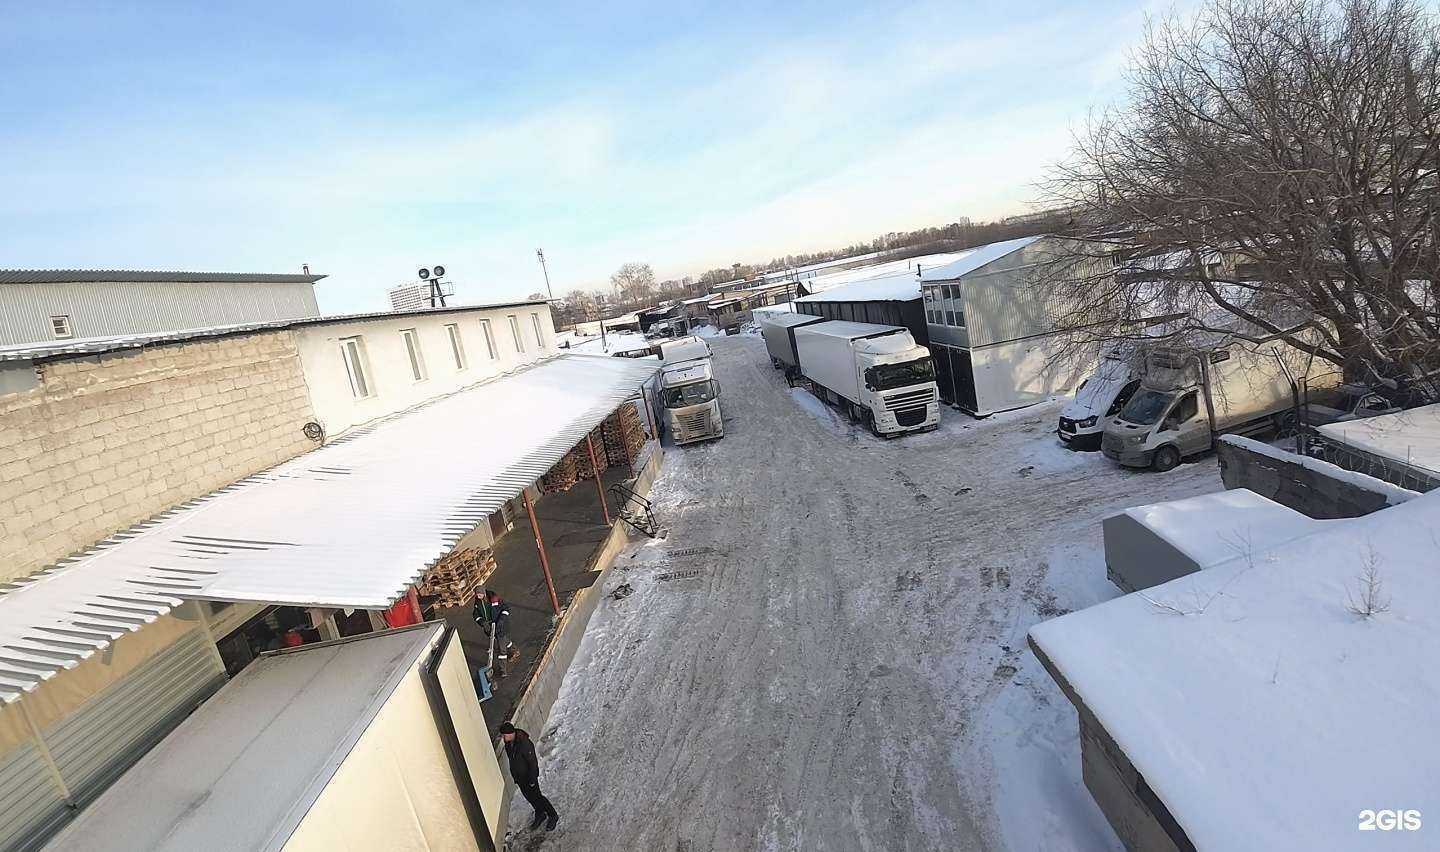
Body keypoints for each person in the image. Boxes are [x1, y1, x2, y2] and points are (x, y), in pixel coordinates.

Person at [499, 722, 558, 831]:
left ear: (510, 733)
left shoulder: (524, 743)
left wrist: (532, 779)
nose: (503, 738)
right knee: (529, 797)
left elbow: (532, 763)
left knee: (538, 797)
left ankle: (553, 815)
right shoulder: (509, 744)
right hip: (520, 779)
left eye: (504, 735)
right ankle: (540, 813)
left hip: (529, 778)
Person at [474, 590, 517, 662]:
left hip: (500, 625)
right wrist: (482, 622)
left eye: (479, 594)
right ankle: (514, 650)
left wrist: (501, 620)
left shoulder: (494, 599)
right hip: (491, 626)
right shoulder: (478, 602)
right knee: (501, 639)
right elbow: (476, 614)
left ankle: (503, 670)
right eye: (476, 595)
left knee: (501, 647)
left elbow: (505, 608)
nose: (478, 597)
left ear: (483, 593)